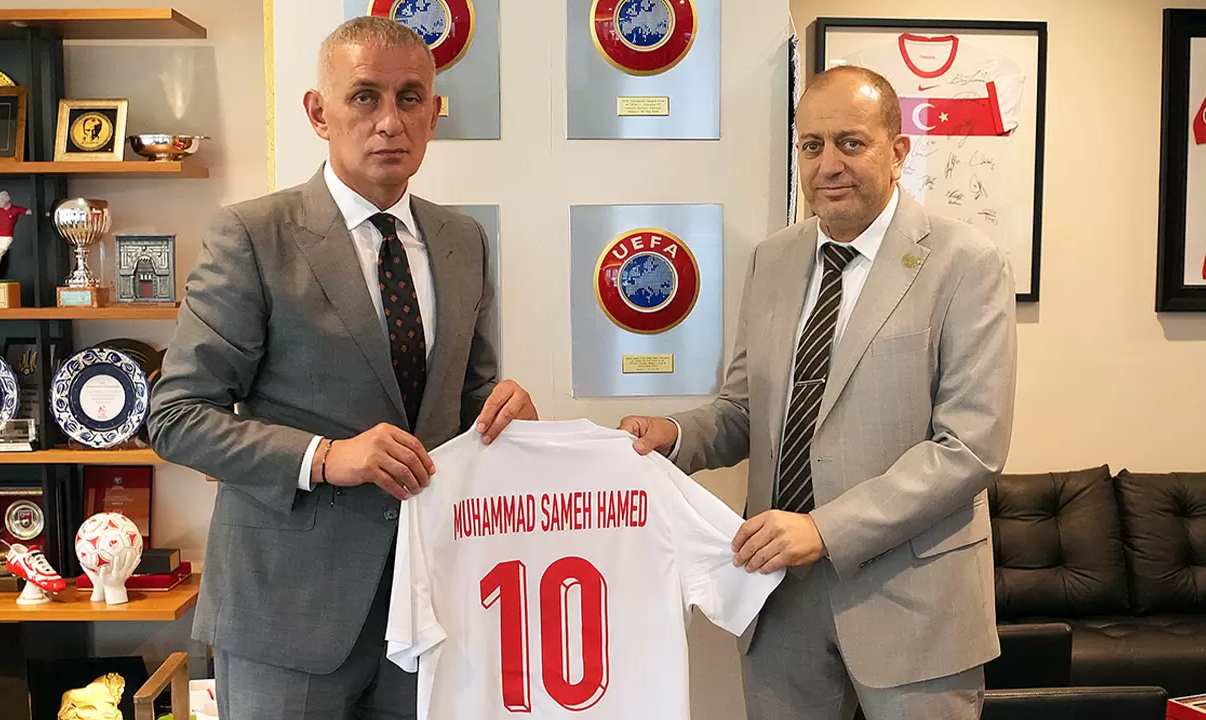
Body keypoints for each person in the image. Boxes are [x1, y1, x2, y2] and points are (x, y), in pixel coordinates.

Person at [147, 16, 536, 720]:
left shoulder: (464, 240)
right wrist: (325, 457)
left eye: (410, 98)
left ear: (433, 115)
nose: (390, 121)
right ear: (318, 113)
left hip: (431, 611)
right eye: (364, 97)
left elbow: (467, 399)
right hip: (285, 614)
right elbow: (176, 418)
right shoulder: (252, 236)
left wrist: (506, 414)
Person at [620, 65, 1017, 720]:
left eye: (850, 143)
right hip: (780, 599)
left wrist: (824, 529)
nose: (828, 164)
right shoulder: (773, 260)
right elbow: (746, 410)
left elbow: (969, 448)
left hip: (915, 604)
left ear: (898, 150)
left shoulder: (965, 262)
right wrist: (675, 435)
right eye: (812, 145)